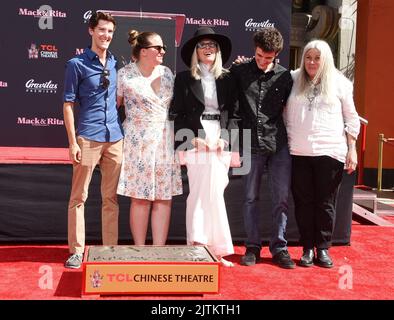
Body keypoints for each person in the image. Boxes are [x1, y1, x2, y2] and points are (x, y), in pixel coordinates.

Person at [284, 39, 360, 268]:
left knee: (325, 204)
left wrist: (352, 149)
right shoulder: (293, 78)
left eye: (317, 58)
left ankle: (323, 249)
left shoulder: (341, 83)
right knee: (303, 202)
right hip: (298, 151)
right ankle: (307, 248)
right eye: (308, 57)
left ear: (325, 59)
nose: (312, 62)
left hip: (330, 152)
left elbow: (351, 117)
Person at [170, 27, 241, 267]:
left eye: (212, 45)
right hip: (196, 138)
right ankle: (197, 246)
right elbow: (176, 114)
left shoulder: (229, 78)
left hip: (219, 139)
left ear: (218, 51)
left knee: (217, 193)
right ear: (195, 51)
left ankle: (218, 250)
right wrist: (190, 140)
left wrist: (226, 138)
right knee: (199, 193)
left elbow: (235, 113)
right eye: (202, 45)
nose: (208, 49)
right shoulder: (183, 78)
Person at [63, 12, 124, 269]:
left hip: (115, 139)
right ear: (91, 31)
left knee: (111, 198)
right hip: (88, 138)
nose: (106, 35)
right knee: (80, 197)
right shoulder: (76, 64)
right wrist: (73, 142)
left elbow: (117, 99)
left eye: (110, 31)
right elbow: (67, 104)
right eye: (101, 30)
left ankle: (109, 249)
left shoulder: (114, 63)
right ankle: (76, 251)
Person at [231, 27, 295, 268]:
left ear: (276, 55)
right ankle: (252, 246)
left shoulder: (285, 77)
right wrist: (234, 144)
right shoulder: (239, 71)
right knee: (249, 198)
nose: (262, 61)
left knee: (281, 199)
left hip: (278, 144)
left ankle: (279, 247)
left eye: (267, 58)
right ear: (253, 50)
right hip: (248, 142)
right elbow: (233, 109)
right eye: (258, 56)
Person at [116, 30, 182, 246]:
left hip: (164, 139)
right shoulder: (125, 74)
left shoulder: (168, 73)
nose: (163, 51)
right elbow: (114, 106)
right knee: (140, 198)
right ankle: (140, 249)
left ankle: (159, 250)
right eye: (158, 48)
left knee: (163, 197)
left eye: (163, 47)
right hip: (137, 140)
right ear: (143, 51)